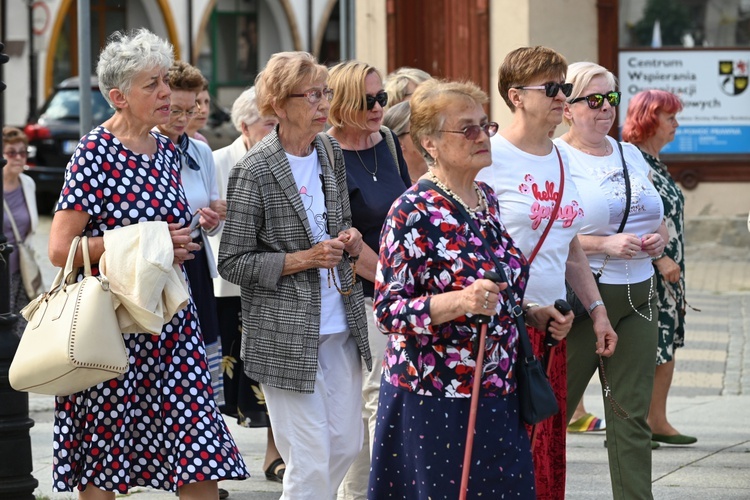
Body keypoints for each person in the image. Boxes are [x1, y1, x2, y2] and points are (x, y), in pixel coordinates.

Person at [47, 28, 248, 499]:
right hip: (112, 326)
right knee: (105, 455)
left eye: (165, 81)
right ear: (118, 97)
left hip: (173, 323)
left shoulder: (164, 151)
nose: (165, 92)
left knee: (198, 451)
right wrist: (147, 241)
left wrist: (175, 241)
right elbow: (60, 249)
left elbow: (168, 235)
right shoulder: (93, 154)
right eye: (151, 85)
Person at [368, 79, 571, 498]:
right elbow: (389, 311)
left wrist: (531, 311)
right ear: (431, 143)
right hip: (435, 396)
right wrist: (459, 301)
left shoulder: (485, 199)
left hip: (498, 387)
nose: (482, 136)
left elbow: (497, 284)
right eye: (467, 128)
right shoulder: (411, 210)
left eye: (485, 125)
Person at [217, 51, 372, 499]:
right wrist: (303, 258)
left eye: (326, 93)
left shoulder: (329, 151)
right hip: (285, 334)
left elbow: (338, 223)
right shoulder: (254, 169)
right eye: (313, 95)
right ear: (280, 106)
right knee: (309, 456)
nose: (324, 103)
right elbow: (233, 261)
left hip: (340, 322)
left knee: (346, 443)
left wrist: (352, 242)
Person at [475, 46, 617, 500]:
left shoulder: (561, 157)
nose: (562, 98)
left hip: (553, 328)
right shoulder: (488, 157)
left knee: (547, 447)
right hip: (504, 326)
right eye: (552, 88)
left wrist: (597, 310)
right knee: (506, 450)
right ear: (516, 96)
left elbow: (569, 244)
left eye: (566, 88)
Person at [554, 61, 667, 500]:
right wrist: (605, 244)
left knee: (630, 414)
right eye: (593, 100)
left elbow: (657, 217)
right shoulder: (557, 158)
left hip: (640, 292)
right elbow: (551, 234)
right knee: (554, 411)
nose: (605, 109)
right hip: (586, 295)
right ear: (567, 108)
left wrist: (660, 242)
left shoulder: (630, 153)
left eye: (611, 99)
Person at [325, 60, 411, 500]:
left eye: (383, 98)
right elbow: (337, 238)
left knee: (373, 401)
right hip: (354, 293)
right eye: (368, 100)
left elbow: (408, 217)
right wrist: (389, 279)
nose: (379, 107)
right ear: (340, 102)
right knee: (369, 402)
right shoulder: (326, 153)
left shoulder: (390, 143)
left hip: (393, 291)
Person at [209, 87, 286, 483]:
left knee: (272, 373)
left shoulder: (284, 159)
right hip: (231, 287)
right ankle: (213, 466)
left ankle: (276, 453)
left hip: (274, 282)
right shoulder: (220, 161)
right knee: (230, 379)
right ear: (243, 126)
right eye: (269, 124)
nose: (275, 131)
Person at [622, 89, 697, 446]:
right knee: (644, 349)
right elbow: (629, 217)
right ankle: (630, 428)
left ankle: (657, 420)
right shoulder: (632, 160)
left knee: (666, 343)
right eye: (670, 118)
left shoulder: (654, 162)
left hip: (669, 274)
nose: (676, 125)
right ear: (650, 119)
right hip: (645, 271)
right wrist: (659, 257)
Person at [156, 60, 227, 412]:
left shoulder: (200, 151)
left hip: (195, 261)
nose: (183, 118)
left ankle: (197, 420)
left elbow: (212, 217)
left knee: (200, 353)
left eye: (192, 108)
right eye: (175, 109)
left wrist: (212, 219)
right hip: (159, 266)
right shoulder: (143, 150)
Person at [2, 126, 39, 338]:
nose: (18, 157)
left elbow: (30, 230)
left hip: (21, 274)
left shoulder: (28, 184)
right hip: (1, 275)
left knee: (22, 334)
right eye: (12, 153)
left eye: (23, 152)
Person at [382, 100, 428, 184]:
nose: (430, 136)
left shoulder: (446, 176)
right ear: (398, 143)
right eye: (420, 131)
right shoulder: (392, 184)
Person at [188, 79, 211, 144]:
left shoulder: (201, 141)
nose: (204, 110)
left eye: (206, 102)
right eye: (196, 102)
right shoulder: (163, 142)